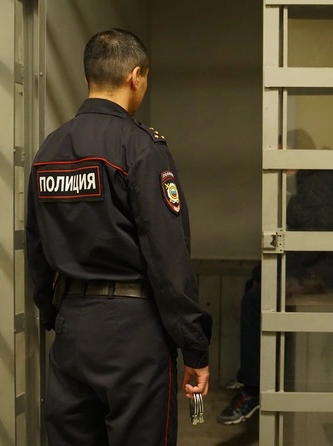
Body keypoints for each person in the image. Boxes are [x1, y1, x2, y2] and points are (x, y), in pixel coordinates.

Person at [26, 29, 212, 445]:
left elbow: (36, 246)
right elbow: (168, 258)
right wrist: (194, 347)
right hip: (134, 333)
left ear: (87, 77)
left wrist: (53, 315)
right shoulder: (141, 148)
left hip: (72, 330)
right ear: (135, 76)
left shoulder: (49, 150)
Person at [217, 130, 333, 425]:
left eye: (281, 150)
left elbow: (310, 244)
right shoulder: (313, 180)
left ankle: (253, 390)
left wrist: (270, 269)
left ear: (295, 151)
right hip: (328, 265)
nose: (277, 158)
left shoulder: (320, 183)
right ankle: (253, 373)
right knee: (255, 286)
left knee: (255, 299)